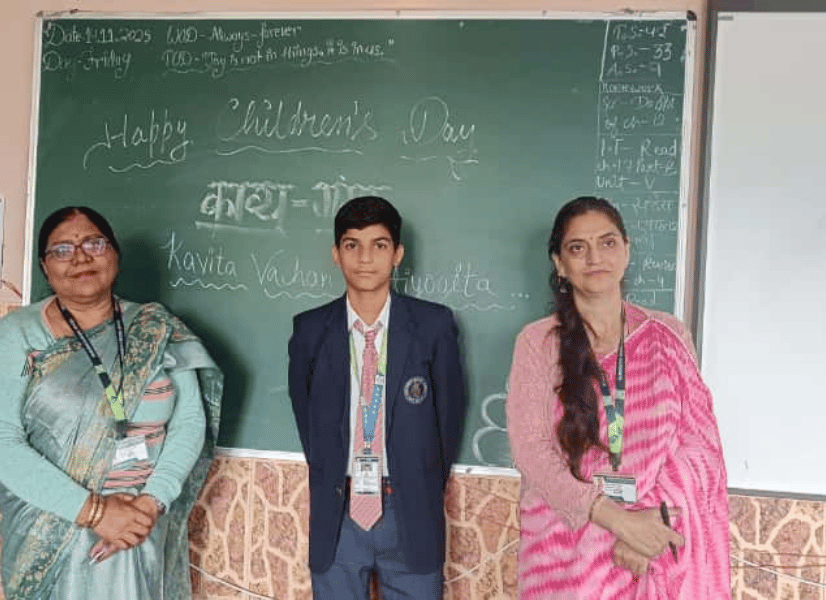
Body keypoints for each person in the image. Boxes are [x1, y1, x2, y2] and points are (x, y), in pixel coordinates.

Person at [0, 206, 223, 600]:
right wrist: (96, 513)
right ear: (45, 267)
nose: (80, 257)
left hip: (140, 529)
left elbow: (190, 420)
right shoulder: (17, 336)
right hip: (53, 532)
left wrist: (149, 505)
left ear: (115, 253)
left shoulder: (155, 329)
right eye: (62, 249)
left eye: (93, 243)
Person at [505, 196, 730, 598]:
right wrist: (616, 520)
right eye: (578, 247)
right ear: (559, 263)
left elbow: (699, 446)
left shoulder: (668, 336)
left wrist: (650, 526)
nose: (595, 257)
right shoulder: (538, 343)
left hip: (654, 543)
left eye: (607, 243)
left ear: (626, 250)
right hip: (565, 558)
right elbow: (531, 451)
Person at [288, 196, 467, 599]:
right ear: (336, 254)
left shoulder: (433, 325)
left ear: (398, 254)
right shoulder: (309, 331)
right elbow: (307, 419)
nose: (365, 258)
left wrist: (416, 483)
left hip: (409, 509)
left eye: (379, 244)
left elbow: (449, 420)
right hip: (339, 512)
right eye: (352, 244)